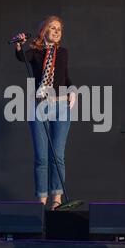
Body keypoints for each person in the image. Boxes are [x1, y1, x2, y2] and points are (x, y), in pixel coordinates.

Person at [13, 15, 76, 210]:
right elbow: (21, 57)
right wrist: (18, 45)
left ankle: (56, 200)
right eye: (53, 27)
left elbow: (65, 77)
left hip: (61, 106)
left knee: (57, 156)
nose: (57, 31)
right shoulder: (35, 52)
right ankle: (41, 201)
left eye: (59, 29)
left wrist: (73, 90)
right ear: (44, 31)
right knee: (41, 158)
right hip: (40, 106)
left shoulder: (63, 53)